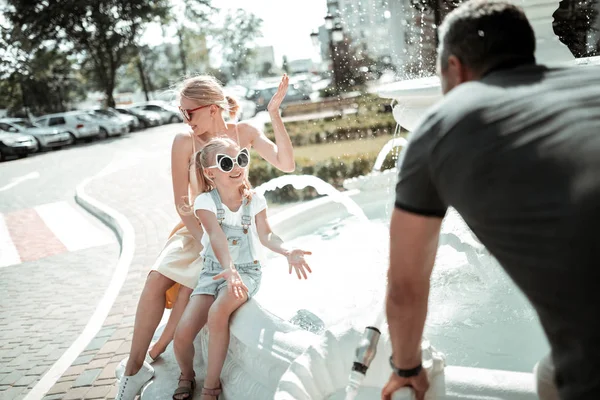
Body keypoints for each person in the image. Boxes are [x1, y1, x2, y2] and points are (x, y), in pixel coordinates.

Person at [381, 1, 600, 400]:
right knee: (551, 374)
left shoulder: (440, 126)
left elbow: (405, 286)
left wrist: (407, 367)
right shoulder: (590, 84)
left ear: (454, 67)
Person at [116, 74, 296, 400]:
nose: (185, 119)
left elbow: (286, 163)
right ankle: (133, 366)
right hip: (194, 230)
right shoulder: (183, 142)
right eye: (181, 112)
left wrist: (274, 114)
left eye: (190, 112)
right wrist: (207, 243)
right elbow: (182, 203)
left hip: (235, 236)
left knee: (188, 294)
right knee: (156, 277)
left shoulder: (244, 133)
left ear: (213, 108)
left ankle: (177, 362)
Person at [171, 137, 312, 399]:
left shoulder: (254, 200)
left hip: (246, 271)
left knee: (217, 313)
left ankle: (210, 387)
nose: (237, 166)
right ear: (211, 173)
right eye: (227, 163)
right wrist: (227, 269)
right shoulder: (205, 202)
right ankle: (186, 374)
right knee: (182, 334)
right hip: (214, 271)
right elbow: (216, 236)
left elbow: (267, 235)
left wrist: (286, 251)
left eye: (241, 159)